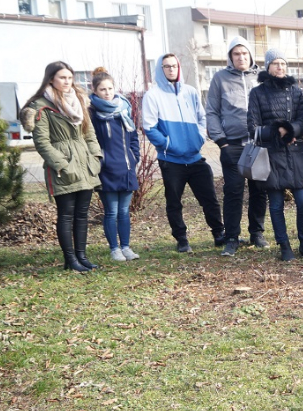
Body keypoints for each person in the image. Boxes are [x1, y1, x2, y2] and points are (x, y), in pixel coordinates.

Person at [22, 61, 103, 272]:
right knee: (66, 213)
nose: (67, 82)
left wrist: (95, 157)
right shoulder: (41, 107)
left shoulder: (79, 102)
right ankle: (70, 259)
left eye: (69, 77)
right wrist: (62, 165)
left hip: (85, 164)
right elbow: (42, 142)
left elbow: (89, 134)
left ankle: (82, 257)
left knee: (82, 214)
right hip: (63, 167)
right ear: (51, 80)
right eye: (62, 78)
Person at [141, 53, 225, 253]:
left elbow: (202, 118)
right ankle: (181, 239)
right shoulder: (153, 95)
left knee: (209, 199)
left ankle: (219, 233)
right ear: (160, 70)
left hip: (195, 158)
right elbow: (150, 127)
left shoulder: (190, 92)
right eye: (166, 66)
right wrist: (168, 144)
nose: (171, 69)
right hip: (171, 160)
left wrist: (200, 137)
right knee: (174, 202)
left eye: (174, 66)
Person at [248, 50, 303, 261]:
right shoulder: (257, 93)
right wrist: (277, 132)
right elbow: (253, 127)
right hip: (271, 154)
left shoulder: (295, 91)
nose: (280, 67)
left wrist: (290, 130)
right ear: (268, 66)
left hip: (295, 151)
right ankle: (284, 245)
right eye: (275, 63)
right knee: (276, 204)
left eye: (283, 63)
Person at [207, 36, 268, 256]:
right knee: (233, 191)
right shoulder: (220, 79)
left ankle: (257, 233)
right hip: (232, 144)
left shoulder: (261, 77)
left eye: (244, 53)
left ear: (250, 55)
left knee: (259, 191)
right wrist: (221, 140)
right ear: (230, 57)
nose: (241, 57)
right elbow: (212, 110)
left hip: (258, 143)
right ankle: (232, 237)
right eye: (236, 54)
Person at [88, 69, 140, 263]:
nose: (107, 93)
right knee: (111, 212)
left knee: (125, 212)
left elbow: (133, 136)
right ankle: (114, 249)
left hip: (126, 168)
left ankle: (126, 247)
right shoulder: (92, 113)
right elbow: (89, 141)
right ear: (95, 91)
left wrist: (135, 157)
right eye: (102, 89)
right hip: (106, 170)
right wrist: (100, 162)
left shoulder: (123, 109)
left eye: (110, 88)